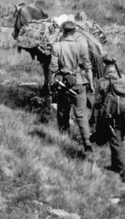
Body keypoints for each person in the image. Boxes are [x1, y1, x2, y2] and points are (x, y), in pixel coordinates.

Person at [91, 56, 125, 184]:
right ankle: (115, 168)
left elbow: (97, 104)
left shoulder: (102, 82)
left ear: (105, 67)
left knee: (117, 147)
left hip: (111, 116)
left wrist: (94, 119)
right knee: (119, 141)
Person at [50, 20, 95, 157]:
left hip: (63, 83)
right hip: (79, 82)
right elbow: (88, 68)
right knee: (81, 114)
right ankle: (87, 142)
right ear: (74, 32)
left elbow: (53, 68)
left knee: (63, 112)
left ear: (62, 31)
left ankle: (64, 140)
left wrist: (51, 83)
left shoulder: (57, 46)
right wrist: (91, 85)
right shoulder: (81, 46)